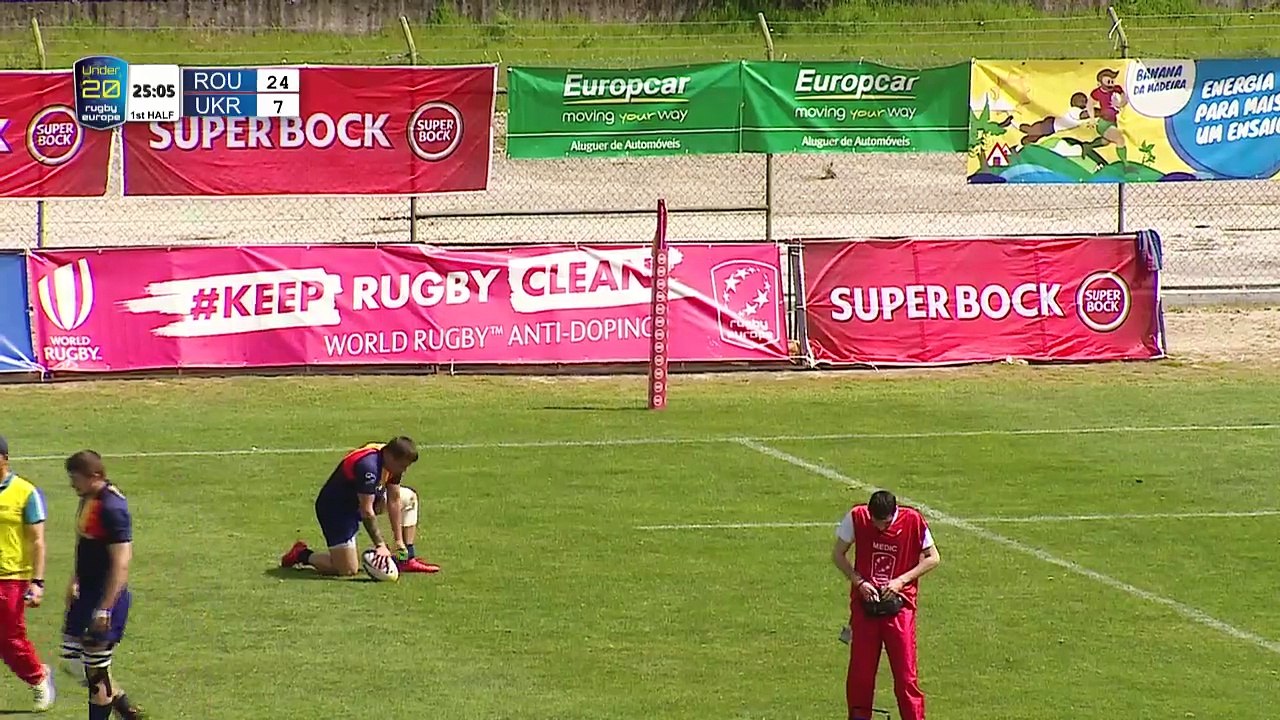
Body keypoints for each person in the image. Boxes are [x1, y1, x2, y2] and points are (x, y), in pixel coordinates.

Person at [832, 490, 941, 720]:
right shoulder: (857, 517)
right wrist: (859, 582)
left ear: (894, 515)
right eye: (875, 523)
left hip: (900, 608)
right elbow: (838, 554)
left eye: (884, 524)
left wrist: (901, 581)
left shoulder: (913, 521)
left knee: (905, 676)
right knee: (861, 674)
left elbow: (933, 557)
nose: (880, 528)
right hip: (865, 608)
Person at [61, 450, 144, 720]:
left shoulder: (112, 508)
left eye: (76, 478)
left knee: (95, 672)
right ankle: (120, 702)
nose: (72, 483)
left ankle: (110, 705)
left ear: (94, 476)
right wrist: (75, 578)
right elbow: (84, 542)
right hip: (86, 593)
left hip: (105, 598)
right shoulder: (89, 497)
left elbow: (121, 562)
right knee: (73, 661)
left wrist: (105, 609)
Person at [281, 438, 438, 576]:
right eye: (402, 466)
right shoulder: (368, 467)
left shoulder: (391, 461)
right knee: (347, 570)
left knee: (409, 498)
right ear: (390, 456)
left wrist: (398, 541)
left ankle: (407, 559)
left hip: (366, 498)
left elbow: (394, 499)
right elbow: (366, 510)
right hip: (337, 510)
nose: (404, 470)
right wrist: (380, 545)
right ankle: (301, 554)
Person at [0, 435, 56, 712]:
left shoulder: (25, 492)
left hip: (11, 576)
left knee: (9, 638)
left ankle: (38, 677)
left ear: (4, 458)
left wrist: (38, 582)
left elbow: (37, 541)